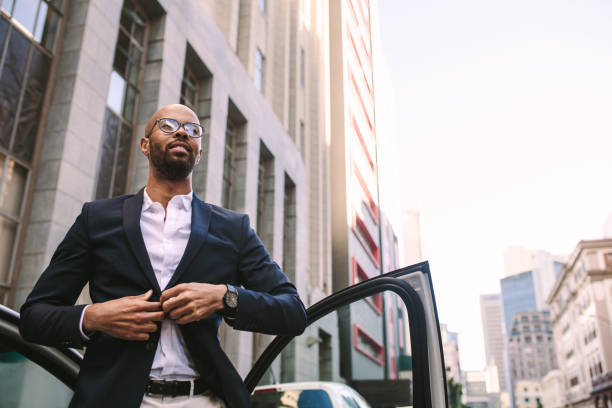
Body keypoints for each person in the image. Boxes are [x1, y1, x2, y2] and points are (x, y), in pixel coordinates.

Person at [19, 104, 307, 408]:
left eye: (193, 130)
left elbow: (293, 312)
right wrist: (95, 317)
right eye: (168, 125)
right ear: (145, 145)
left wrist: (225, 297)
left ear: (199, 152)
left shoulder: (233, 229)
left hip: (203, 400)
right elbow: (34, 318)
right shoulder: (97, 219)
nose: (182, 131)